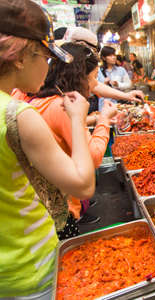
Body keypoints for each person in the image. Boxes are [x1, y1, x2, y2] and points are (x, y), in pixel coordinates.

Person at [0, 0, 95, 298]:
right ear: (20, 57)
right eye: (45, 56)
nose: (48, 66)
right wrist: (78, 119)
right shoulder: (17, 116)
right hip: (32, 266)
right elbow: (83, 184)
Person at [24, 43, 118, 237]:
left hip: (43, 208)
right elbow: (93, 158)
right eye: (92, 78)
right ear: (79, 77)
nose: (94, 85)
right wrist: (104, 120)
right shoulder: (62, 107)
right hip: (59, 209)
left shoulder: (43, 99)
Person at [97, 46, 132, 110]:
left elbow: (128, 84)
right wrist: (104, 84)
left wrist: (118, 84)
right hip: (104, 105)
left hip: (119, 104)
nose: (113, 57)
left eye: (114, 55)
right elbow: (94, 88)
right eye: (110, 56)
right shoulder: (98, 71)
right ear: (104, 58)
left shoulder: (121, 70)